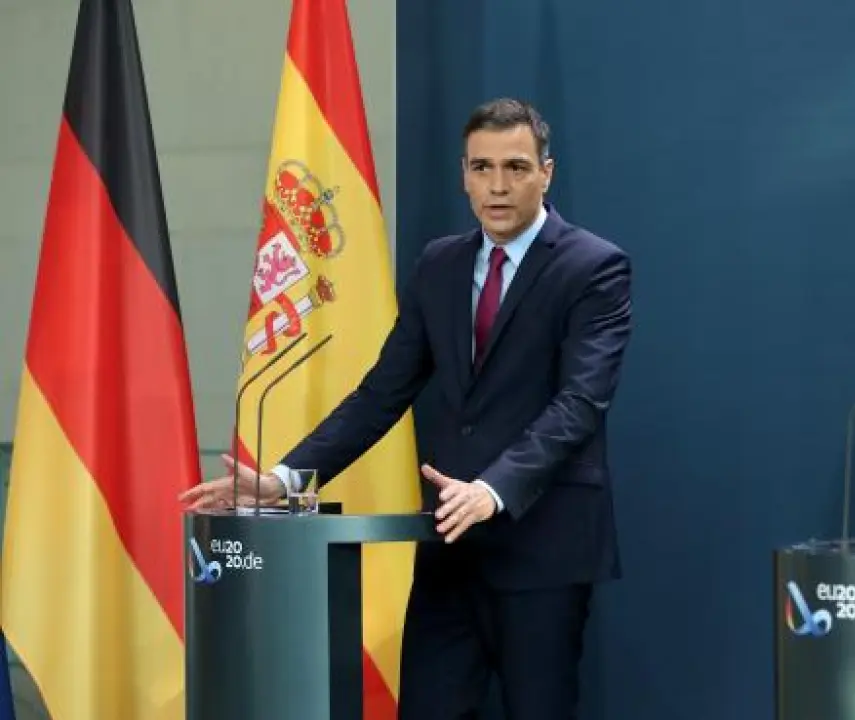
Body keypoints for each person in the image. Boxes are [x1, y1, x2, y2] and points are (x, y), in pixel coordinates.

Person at [180, 98, 633, 719]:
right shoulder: (439, 264)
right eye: (482, 168)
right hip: (447, 549)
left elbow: (579, 403)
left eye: (516, 167)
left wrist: (493, 490)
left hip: (542, 549)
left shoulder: (594, 267)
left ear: (546, 173)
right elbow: (382, 392)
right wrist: (285, 479)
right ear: (464, 174)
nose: (498, 186)